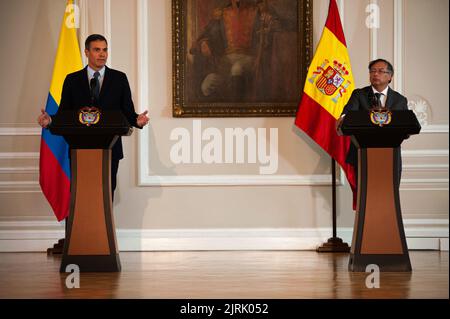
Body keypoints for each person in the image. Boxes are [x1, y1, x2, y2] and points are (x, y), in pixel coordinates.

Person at [37, 34, 149, 199]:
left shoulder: (119, 78)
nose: (102, 54)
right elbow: (64, 114)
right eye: (97, 50)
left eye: (105, 50)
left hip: (110, 148)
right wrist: (51, 121)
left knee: (105, 194)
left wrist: (136, 121)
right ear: (86, 52)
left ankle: (103, 226)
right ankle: (83, 225)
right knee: (82, 194)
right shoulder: (72, 80)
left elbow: (127, 111)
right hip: (80, 148)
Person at [190, 0, 280, 102]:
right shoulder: (221, 13)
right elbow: (205, 34)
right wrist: (203, 43)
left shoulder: (257, 10)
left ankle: (237, 109)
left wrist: (269, 23)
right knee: (206, 85)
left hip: (248, 59)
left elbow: (276, 24)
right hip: (225, 62)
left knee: (236, 68)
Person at [337, 58, 408, 184]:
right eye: (372, 71)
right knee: (364, 195)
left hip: (390, 156)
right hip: (362, 154)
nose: (375, 74)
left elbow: (406, 127)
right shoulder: (359, 95)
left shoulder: (400, 100)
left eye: (381, 71)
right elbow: (346, 116)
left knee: (389, 195)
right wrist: (342, 119)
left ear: (390, 76)